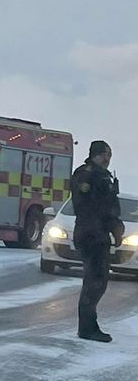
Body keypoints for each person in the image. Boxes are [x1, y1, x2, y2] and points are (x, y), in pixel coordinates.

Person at [71, 140, 124, 343]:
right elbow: (98, 206)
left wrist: (115, 227)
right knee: (94, 282)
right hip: (91, 233)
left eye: (109, 154)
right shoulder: (88, 174)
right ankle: (87, 328)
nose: (107, 158)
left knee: (97, 282)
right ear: (94, 154)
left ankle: (89, 326)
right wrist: (114, 225)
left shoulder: (101, 175)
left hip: (97, 233)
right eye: (104, 154)